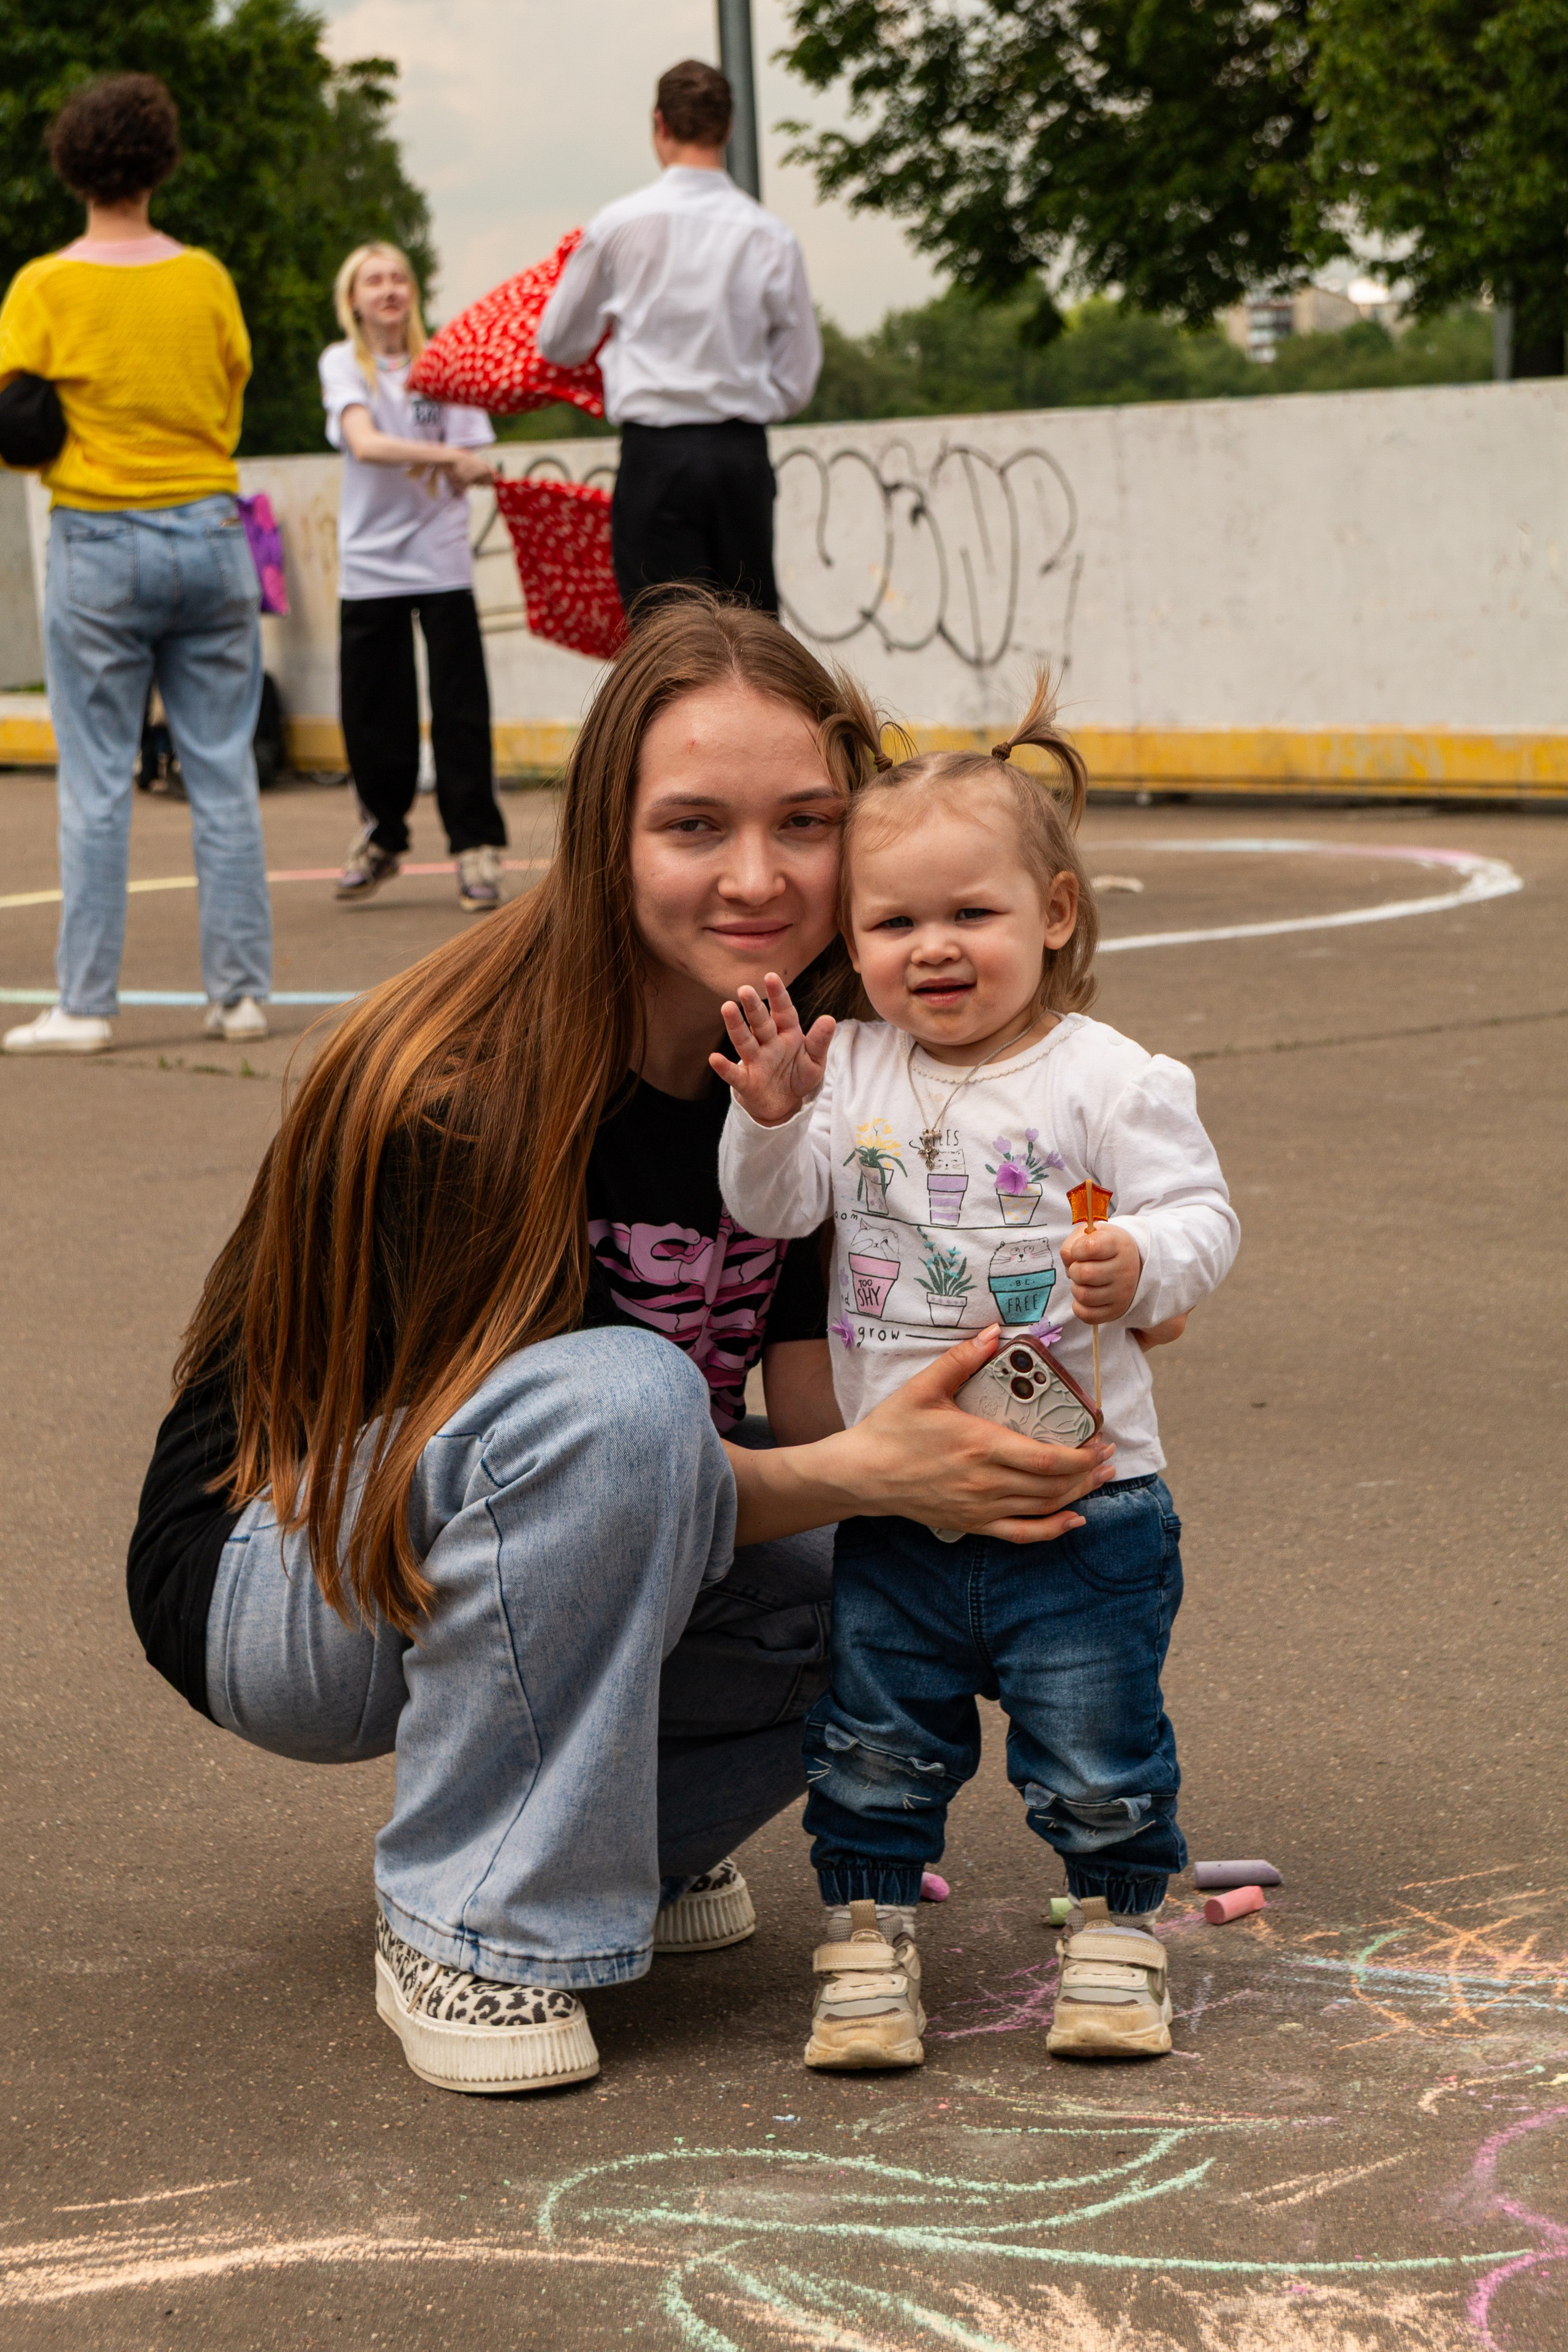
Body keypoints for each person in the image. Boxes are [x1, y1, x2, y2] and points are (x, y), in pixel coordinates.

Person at [126, 595, 1117, 2098]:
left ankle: (615, 1847)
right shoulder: (458, 1082)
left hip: (574, 1507)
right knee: (631, 1399)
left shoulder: (820, 1075)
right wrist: (862, 1471)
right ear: (606, 838)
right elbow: (568, 1457)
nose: (758, 874)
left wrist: (1032, 1382)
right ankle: (469, 1919)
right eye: (693, 825)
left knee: (912, 1584)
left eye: (804, 820)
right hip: (290, 1569)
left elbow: (812, 1402)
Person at [715, 679, 1238, 2067]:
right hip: (899, 1502)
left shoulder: (1109, 1079)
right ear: (852, 939)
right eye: (891, 923)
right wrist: (764, 1117)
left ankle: (1116, 1929)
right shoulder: (849, 1075)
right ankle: (868, 1933)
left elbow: (1202, 1216)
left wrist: (1139, 1255)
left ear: (1052, 912)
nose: (929, 949)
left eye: (970, 914)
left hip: (1086, 1500)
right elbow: (772, 1210)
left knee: (1095, 1741)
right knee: (873, 1740)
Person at [0, 73, 272, 1057]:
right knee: (223, 769)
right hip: (207, 529)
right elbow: (231, 388)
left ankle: (85, 1003)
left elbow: (15, 417)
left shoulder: (43, 286)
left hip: (98, 538)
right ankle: (239, 997)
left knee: (97, 781)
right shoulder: (204, 277)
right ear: (161, 160)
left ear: (71, 162)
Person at [536, 59, 821, 617]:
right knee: (752, 644)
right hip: (741, 454)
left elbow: (558, 341)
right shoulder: (771, 235)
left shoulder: (618, 225)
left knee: (665, 645)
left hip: (656, 456)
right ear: (730, 128)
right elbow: (797, 379)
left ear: (659, 124)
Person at [321, 243, 509, 915]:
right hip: (371, 563)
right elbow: (366, 444)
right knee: (376, 711)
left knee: (459, 706)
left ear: (412, 293)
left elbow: (474, 457)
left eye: (398, 277)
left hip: (440, 557)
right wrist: (444, 456)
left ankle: (475, 846)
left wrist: (464, 462)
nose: (388, 288)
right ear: (355, 301)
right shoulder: (343, 364)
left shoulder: (445, 364)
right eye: (373, 280)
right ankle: (382, 834)